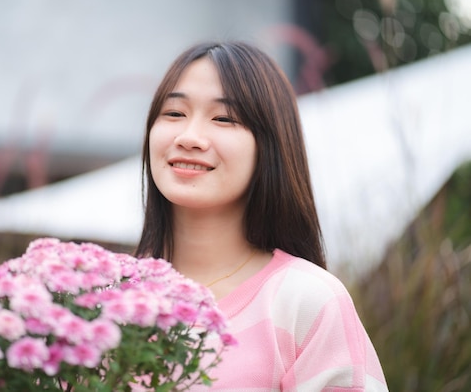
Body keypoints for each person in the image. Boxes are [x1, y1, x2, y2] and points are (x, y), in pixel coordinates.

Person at [134, 41, 388, 391]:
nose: (189, 137)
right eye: (174, 113)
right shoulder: (98, 298)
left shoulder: (306, 302)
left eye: (223, 118)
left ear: (270, 145)